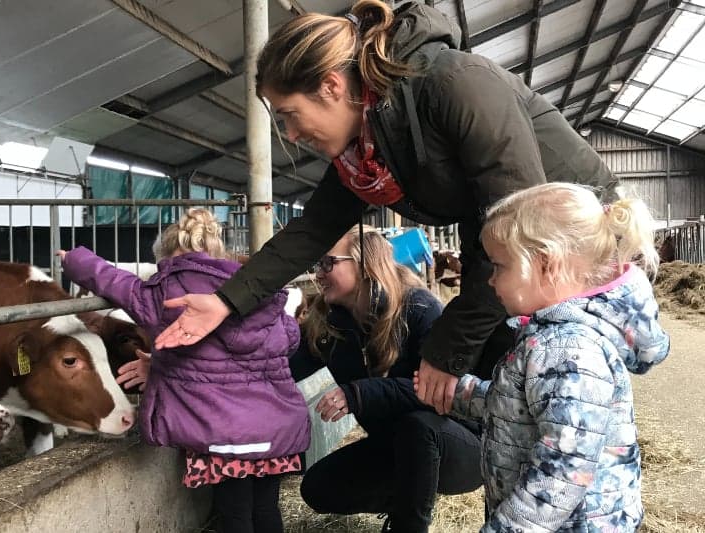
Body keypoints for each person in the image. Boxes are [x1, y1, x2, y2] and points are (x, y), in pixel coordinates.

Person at [154, 0, 619, 419]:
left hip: (573, 255)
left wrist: (446, 351)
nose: (290, 135)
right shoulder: (368, 151)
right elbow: (312, 230)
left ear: (331, 86)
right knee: (512, 400)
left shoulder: (455, 86)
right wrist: (224, 301)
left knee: (562, 403)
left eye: (289, 114)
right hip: (518, 271)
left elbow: (516, 233)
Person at [413, 183, 670, 531]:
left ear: (547, 265)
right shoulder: (549, 337)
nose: (490, 281)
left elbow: (563, 468)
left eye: (500, 266)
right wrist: (464, 393)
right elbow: (525, 407)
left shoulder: (567, 350)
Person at [57, 208, 311, 533]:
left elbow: (110, 279)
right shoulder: (252, 290)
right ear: (219, 252)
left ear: (165, 254)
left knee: (234, 513)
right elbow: (288, 340)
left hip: (223, 434)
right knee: (265, 507)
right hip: (275, 428)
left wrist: (72, 259)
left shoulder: (163, 293)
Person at [289, 226, 483, 533]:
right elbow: (290, 366)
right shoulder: (332, 324)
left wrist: (358, 394)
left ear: (365, 264)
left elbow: (439, 394)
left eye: (327, 263)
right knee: (317, 487)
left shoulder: (419, 309)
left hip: (456, 445)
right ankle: (405, 500)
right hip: (393, 447)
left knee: (417, 426)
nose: (318, 274)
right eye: (316, 265)